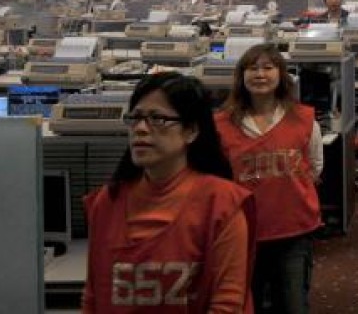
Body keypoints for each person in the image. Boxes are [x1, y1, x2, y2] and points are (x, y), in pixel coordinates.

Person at [82, 72, 254, 313]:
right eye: (135, 118)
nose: (141, 129)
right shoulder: (108, 201)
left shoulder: (221, 205)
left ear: (190, 131)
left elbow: (227, 303)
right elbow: (93, 296)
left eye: (157, 119)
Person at [215, 44, 323, 314]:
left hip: (293, 229)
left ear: (281, 74)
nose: (260, 75)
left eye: (268, 68)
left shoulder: (304, 119)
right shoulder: (222, 125)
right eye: (252, 68)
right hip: (242, 231)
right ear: (241, 76)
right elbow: (217, 179)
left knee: (292, 304)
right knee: (245, 304)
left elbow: (314, 167)